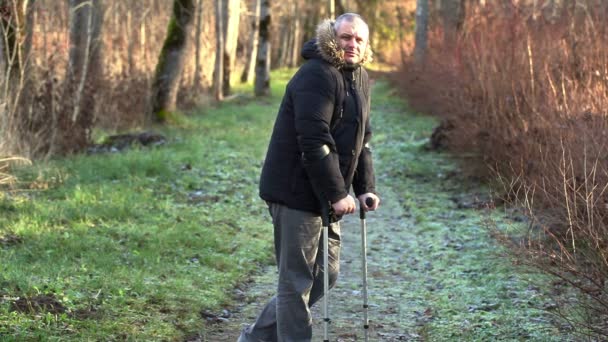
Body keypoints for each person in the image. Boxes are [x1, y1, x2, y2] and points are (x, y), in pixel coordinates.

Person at [238, 13, 380, 342]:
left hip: (326, 196)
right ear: (333, 37)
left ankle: (256, 338)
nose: (352, 44)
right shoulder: (316, 75)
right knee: (296, 282)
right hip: (296, 192)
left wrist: (364, 188)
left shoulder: (359, 78)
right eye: (346, 37)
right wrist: (336, 194)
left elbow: (363, 140)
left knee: (325, 277)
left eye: (359, 40)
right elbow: (314, 141)